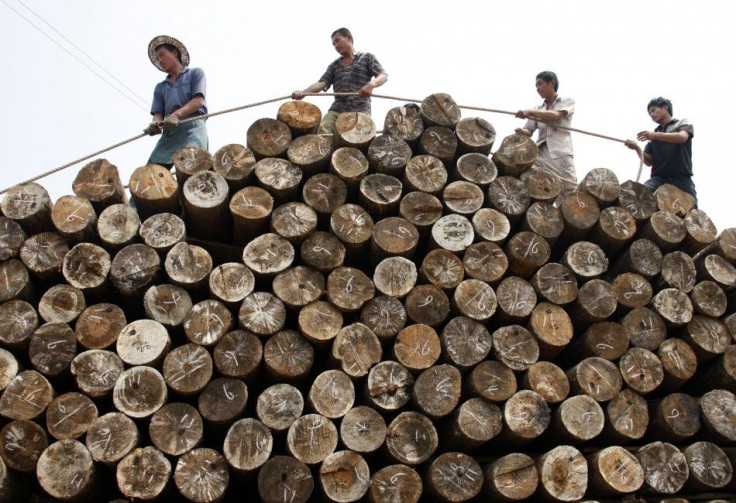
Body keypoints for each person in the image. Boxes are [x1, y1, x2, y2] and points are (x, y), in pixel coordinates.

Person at [291, 28, 388, 134]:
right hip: (337, 109)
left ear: (348, 38)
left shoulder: (367, 57)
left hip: (360, 108)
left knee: (362, 136)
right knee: (323, 129)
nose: (336, 46)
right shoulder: (334, 66)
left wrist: (371, 84)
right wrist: (303, 92)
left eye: (338, 41)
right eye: (333, 44)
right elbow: (321, 83)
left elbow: (383, 75)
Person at [144, 35, 208, 168]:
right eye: (157, 58)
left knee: (193, 164)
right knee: (152, 170)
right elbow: (158, 114)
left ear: (174, 52)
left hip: (193, 125)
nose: (160, 60)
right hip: (170, 130)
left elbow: (198, 101)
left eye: (162, 55)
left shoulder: (195, 73)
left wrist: (176, 115)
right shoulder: (160, 87)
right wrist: (155, 124)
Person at [515, 71, 577, 194]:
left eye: (540, 84)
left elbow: (555, 116)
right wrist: (522, 132)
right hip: (541, 155)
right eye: (536, 86)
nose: (538, 88)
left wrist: (530, 112)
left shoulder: (566, 102)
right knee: (529, 179)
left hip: (560, 154)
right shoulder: (538, 109)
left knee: (569, 193)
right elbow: (529, 130)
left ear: (552, 83)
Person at [625, 97, 696, 203]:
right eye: (650, 114)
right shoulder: (653, 136)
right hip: (659, 179)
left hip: (681, 177)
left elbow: (682, 137)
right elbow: (648, 161)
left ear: (665, 107)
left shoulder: (681, 123)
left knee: (692, 210)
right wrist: (636, 148)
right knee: (640, 195)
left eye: (653, 110)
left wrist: (655, 135)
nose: (652, 115)